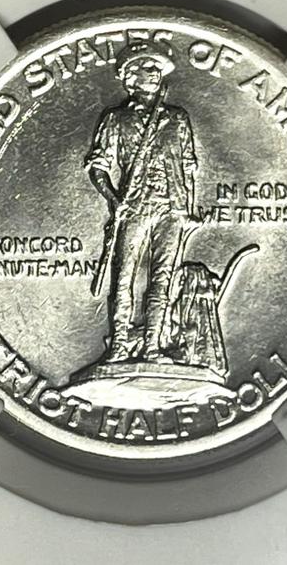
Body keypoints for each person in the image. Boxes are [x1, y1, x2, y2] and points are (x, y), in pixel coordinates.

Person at [86, 40, 198, 362]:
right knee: (124, 277)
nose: (156, 73)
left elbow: (188, 166)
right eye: (149, 67)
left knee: (162, 278)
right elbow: (98, 167)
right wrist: (113, 198)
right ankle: (120, 344)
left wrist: (188, 209)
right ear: (130, 76)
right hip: (134, 206)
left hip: (172, 208)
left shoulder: (177, 119)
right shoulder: (116, 119)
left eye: (157, 69)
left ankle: (152, 345)